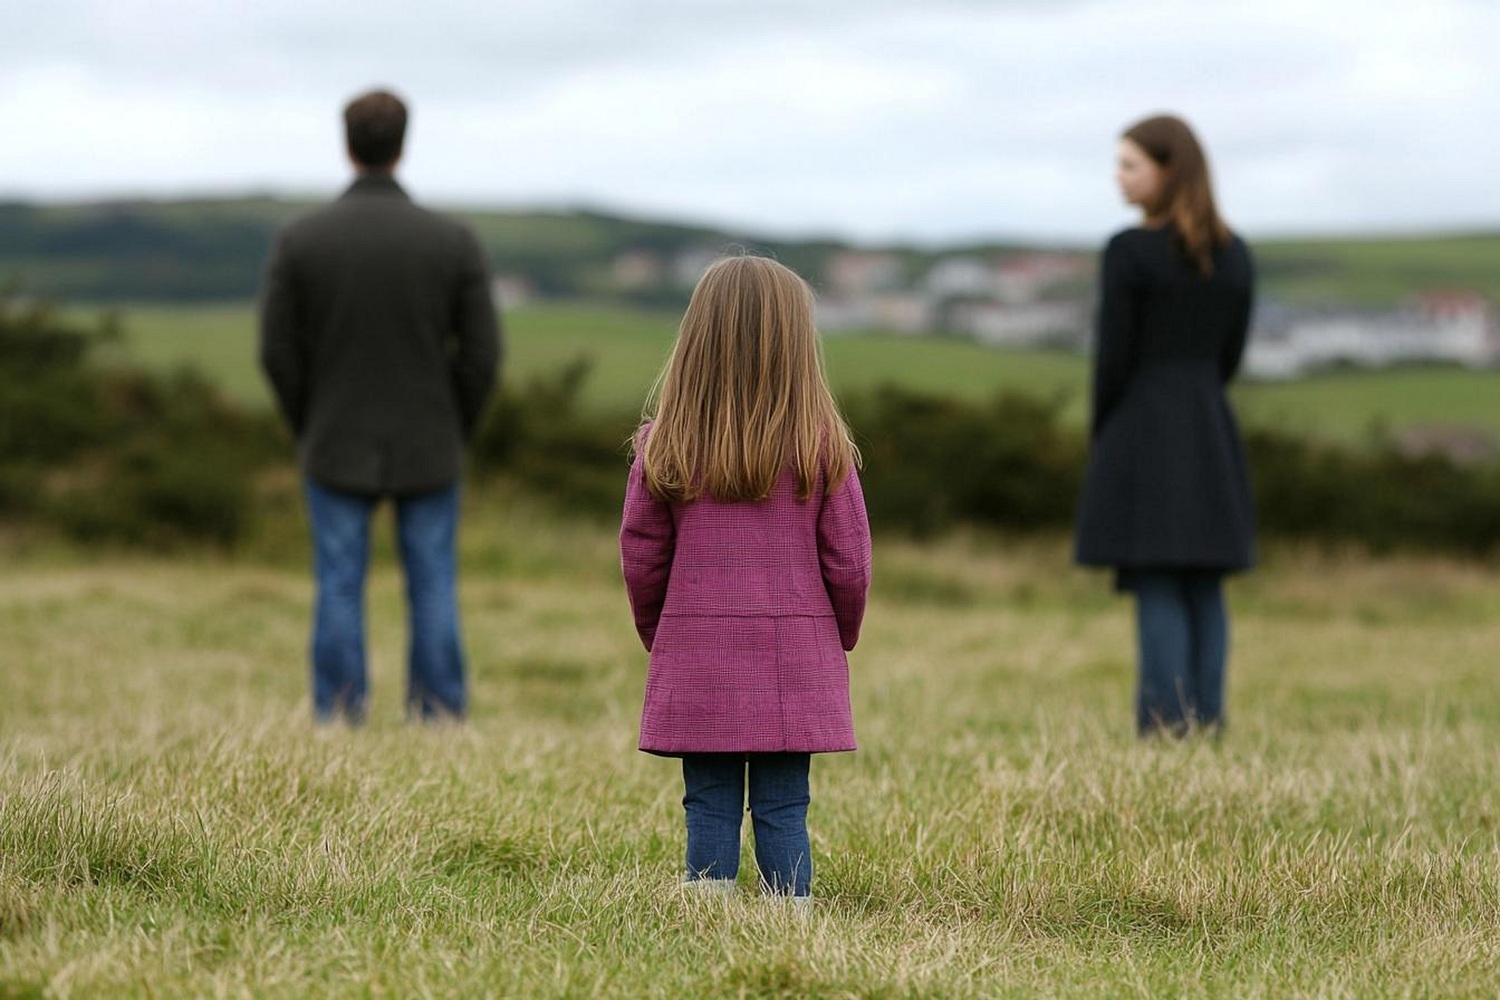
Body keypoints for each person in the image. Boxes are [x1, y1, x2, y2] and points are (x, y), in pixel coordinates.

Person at [620, 255, 872, 903]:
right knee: (786, 805)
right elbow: (850, 561)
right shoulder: (825, 448)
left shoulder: (661, 445)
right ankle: (789, 918)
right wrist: (837, 637)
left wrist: (662, 635)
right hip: (796, 661)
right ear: (797, 344)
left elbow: (641, 557)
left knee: (706, 801)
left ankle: (707, 913)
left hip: (696, 657)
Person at [259, 88, 501, 723]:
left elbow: (276, 352)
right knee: (434, 585)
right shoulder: (452, 240)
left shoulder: (301, 239)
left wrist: (308, 423)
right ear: (403, 143)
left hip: (333, 437)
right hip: (430, 440)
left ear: (348, 144)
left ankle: (339, 714)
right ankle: (440, 716)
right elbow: (482, 355)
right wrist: (456, 426)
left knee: (338, 583)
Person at [1074, 113, 1256, 737]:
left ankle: (1164, 725)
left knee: (1156, 577)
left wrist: (1105, 436)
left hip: (1143, 427)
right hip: (1209, 426)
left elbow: (1113, 359)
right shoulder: (1235, 255)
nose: (1118, 178)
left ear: (1169, 171)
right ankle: (1208, 722)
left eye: (1131, 165)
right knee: (1204, 578)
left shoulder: (1128, 251)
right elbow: (1230, 355)